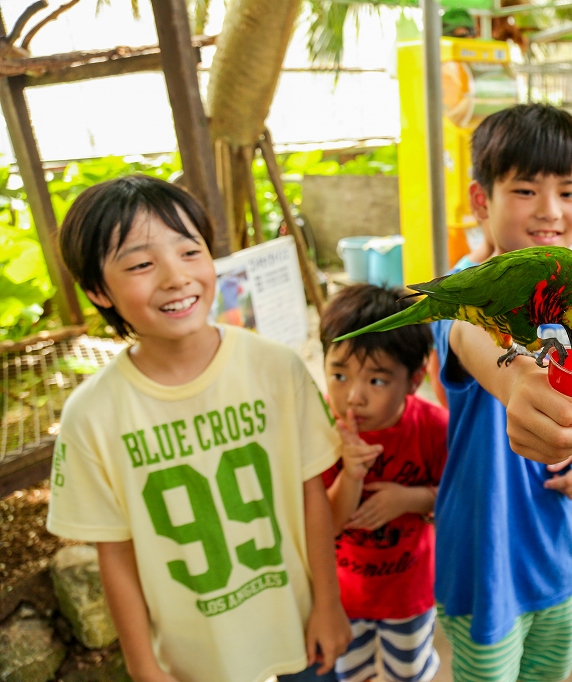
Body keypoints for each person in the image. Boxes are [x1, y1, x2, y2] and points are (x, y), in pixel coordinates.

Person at [46, 175, 352, 682]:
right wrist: (143, 665)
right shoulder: (92, 416)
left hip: (298, 626)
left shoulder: (277, 368)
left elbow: (310, 496)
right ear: (99, 290)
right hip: (196, 659)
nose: (175, 277)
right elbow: (114, 555)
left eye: (190, 252)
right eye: (142, 264)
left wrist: (328, 603)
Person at [431, 103, 572, 682]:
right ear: (480, 199)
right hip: (486, 562)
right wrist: (517, 380)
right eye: (525, 190)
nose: (550, 212)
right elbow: (469, 338)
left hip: (558, 551)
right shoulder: (459, 296)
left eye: (568, 191)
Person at [319, 284, 448, 682]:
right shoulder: (320, 432)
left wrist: (411, 499)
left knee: (407, 673)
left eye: (376, 381)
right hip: (342, 598)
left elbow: (460, 501)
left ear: (413, 380)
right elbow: (323, 523)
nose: (353, 397)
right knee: (350, 673)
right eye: (338, 375)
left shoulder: (432, 429)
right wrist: (351, 473)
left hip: (408, 594)